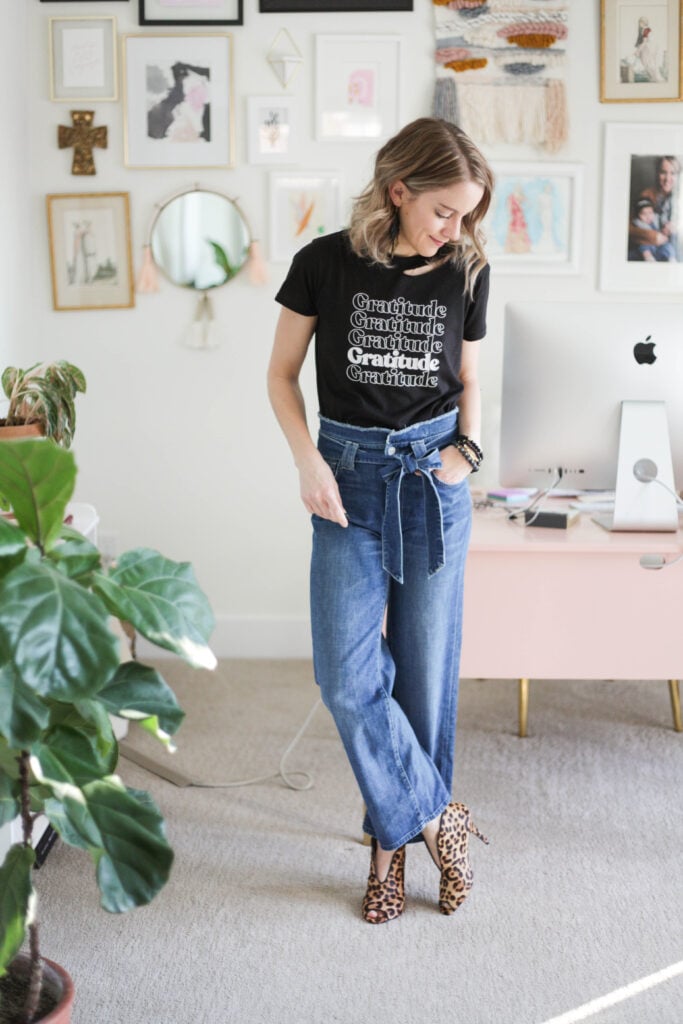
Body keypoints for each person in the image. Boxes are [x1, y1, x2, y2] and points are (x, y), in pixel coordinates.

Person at [267, 117, 493, 924]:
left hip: (432, 477)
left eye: (465, 213)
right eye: (442, 209)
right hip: (346, 478)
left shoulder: (464, 268)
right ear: (398, 190)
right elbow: (282, 377)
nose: (454, 227)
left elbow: (469, 375)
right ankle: (437, 818)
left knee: (424, 677)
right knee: (346, 676)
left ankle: (387, 851)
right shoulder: (322, 262)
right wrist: (308, 461)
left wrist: (466, 450)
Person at [629, 155, 680, 262]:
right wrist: (653, 236)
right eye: (663, 172)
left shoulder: (679, 198)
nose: (667, 179)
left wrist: (678, 227)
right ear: (657, 174)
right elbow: (629, 228)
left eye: (673, 173)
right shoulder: (647, 195)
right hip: (649, 248)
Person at [628, 198, 675, 262]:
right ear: (638, 216)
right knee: (643, 244)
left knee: (667, 245)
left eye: (650, 213)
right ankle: (648, 257)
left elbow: (662, 232)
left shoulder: (656, 221)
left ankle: (671, 257)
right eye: (644, 214)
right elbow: (639, 237)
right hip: (645, 249)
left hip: (658, 248)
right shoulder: (638, 224)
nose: (648, 216)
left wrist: (665, 231)